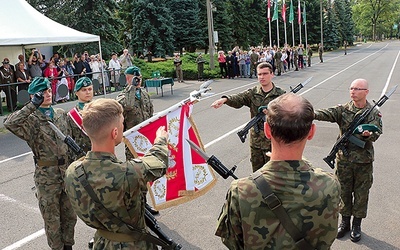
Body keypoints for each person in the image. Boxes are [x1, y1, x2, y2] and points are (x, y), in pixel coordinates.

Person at [215, 93, 341, 249]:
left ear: (267, 130)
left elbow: (232, 242)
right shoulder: (329, 185)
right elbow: (329, 234)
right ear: (311, 132)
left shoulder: (241, 190)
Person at [64, 98, 169, 249]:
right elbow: (158, 162)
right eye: (121, 124)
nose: (123, 127)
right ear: (114, 133)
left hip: (102, 243)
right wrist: (160, 140)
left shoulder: (73, 171)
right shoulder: (128, 172)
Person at [4, 77, 77, 250]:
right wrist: (32, 106)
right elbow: (9, 123)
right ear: (33, 95)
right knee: (52, 220)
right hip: (47, 178)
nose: (47, 94)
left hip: (65, 173)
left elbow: (71, 142)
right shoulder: (30, 120)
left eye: (49, 91)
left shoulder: (60, 114)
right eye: (42, 92)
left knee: (70, 216)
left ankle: (68, 246)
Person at [314, 78, 382, 242]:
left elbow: (377, 132)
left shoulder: (373, 112)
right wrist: (311, 113)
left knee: (361, 194)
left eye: (357, 89)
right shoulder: (343, 110)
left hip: (363, 162)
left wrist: (369, 135)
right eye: (351, 88)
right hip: (343, 160)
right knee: (343, 192)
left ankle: (357, 225)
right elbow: (326, 113)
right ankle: (344, 223)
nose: (353, 91)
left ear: (366, 92)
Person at [211, 62, 286, 172]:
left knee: (274, 172)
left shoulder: (281, 95)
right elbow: (239, 98)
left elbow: (288, 115)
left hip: (274, 140)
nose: (262, 77)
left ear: (272, 74)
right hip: (256, 141)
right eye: (259, 74)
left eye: (265, 74)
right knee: (257, 173)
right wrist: (225, 100)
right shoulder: (253, 93)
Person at [116, 66, 154, 161]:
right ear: (128, 79)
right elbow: (129, 105)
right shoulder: (123, 96)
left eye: (140, 78)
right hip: (133, 139)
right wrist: (132, 87)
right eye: (136, 78)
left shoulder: (144, 94)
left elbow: (150, 113)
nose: (139, 81)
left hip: (147, 135)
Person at [67, 77, 94, 161]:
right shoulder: (71, 115)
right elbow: (70, 140)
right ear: (76, 93)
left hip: (103, 154)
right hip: (83, 158)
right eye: (84, 90)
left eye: (90, 89)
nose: (88, 92)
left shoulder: (101, 108)